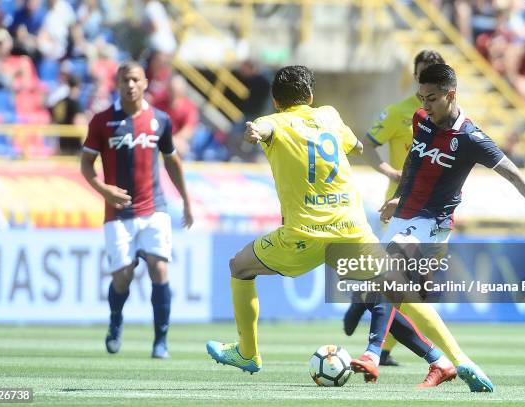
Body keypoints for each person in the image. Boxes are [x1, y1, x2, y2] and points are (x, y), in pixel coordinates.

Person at [358, 63, 525, 392]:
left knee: (387, 279)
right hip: (405, 216)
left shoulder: (470, 137)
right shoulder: (421, 120)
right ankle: (446, 362)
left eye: (432, 98)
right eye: (421, 97)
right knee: (396, 298)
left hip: (433, 223)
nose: (425, 105)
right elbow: (414, 163)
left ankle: (372, 355)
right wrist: (399, 197)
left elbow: (513, 174)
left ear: (451, 94)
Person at [205, 65, 381, 374]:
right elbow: (358, 146)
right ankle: (440, 357)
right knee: (393, 289)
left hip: (303, 233)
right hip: (348, 226)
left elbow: (263, 128)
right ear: (311, 96)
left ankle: (248, 353)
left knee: (239, 266)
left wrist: (255, 132)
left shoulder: (275, 121)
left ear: (275, 101)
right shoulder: (329, 115)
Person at [80, 61, 193, 359]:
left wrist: (187, 201)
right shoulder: (102, 121)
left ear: (144, 83)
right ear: (116, 85)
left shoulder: (160, 120)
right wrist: (104, 189)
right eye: (123, 81)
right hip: (118, 212)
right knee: (123, 277)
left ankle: (161, 341)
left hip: (154, 208)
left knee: (160, 268)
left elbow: (172, 161)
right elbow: (85, 164)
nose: (129, 85)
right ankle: (116, 319)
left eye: (134, 80)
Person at [344, 50, 446, 368]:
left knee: (422, 289)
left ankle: (368, 308)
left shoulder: (452, 118)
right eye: (424, 72)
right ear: (415, 77)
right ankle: (381, 349)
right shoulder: (399, 113)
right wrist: (389, 171)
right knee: (399, 283)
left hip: (436, 212)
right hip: (402, 209)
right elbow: (370, 143)